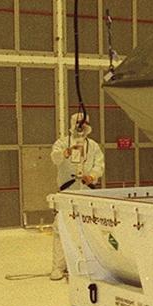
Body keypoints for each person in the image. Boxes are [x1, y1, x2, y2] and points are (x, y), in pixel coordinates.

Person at [49, 113, 105, 280]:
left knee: (87, 229)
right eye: (79, 123)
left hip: (85, 192)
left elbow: (99, 165)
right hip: (67, 191)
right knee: (60, 228)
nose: (81, 127)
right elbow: (54, 158)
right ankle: (58, 267)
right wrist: (65, 153)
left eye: (84, 124)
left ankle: (87, 264)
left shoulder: (93, 146)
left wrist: (92, 176)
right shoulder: (61, 143)